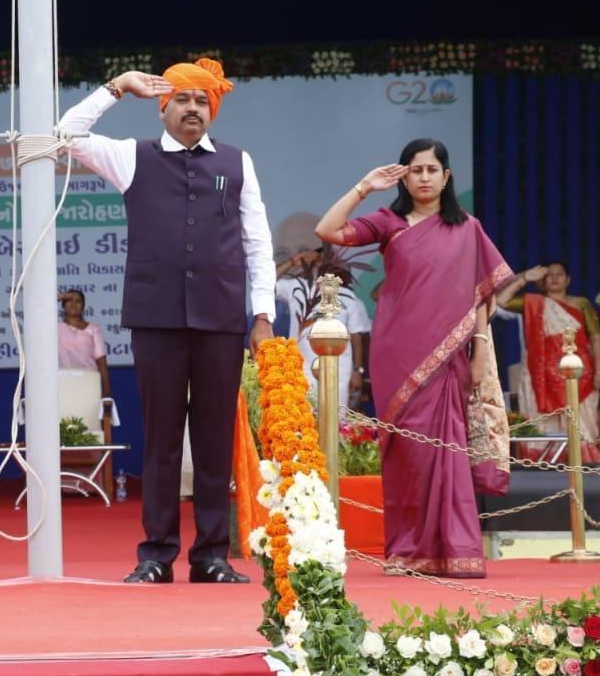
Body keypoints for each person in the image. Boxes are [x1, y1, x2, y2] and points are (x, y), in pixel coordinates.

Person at [56, 59, 276, 584]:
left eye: (202, 101)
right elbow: (65, 135)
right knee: (160, 441)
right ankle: (155, 554)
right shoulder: (134, 157)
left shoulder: (237, 162)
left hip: (221, 319)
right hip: (156, 320)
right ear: (163, 107)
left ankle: (211, 556)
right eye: (183, 99)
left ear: (213, 109)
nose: (193, 108)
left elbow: (257, 241)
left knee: (214, 438)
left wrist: (262, 313)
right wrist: (116, 87)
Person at [315, 138, 511, 578]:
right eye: (415, 170)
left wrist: (479, 350)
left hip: (449, 356)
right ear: (404, 176)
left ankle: (455, 549)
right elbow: (328, 230)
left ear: (447, 176)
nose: (424, 177)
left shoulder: (469, 229)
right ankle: (406, 550)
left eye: (431, 170)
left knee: (447, 451)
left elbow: (482, 295)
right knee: (405, 453)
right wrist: (364, 186)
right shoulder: (390, 222)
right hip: (396, 353)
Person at [495, 262, 600, 463]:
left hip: (579, 377)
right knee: (544, 425)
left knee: (581, 425)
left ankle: (585, 476)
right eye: (550, 275)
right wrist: (524, 278)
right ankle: (547, 476)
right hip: (541, 379)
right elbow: (501, 300)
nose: (555, 278)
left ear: (568, 279)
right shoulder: (534, 303)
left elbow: (596, 338)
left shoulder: (581, 303)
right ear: (542, 281)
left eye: (560, 274)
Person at [274, 247, 371, 409]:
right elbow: (265, 284)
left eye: (327, 261)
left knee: (335, 420)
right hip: (300, 365)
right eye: (317, 260)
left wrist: (357, 371)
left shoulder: (346, 295)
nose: (322, 264)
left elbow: (356, 337)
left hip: (339, 367)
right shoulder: (295, 287)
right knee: (302, 419)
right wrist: (292, 262)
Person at [57, 288, 111, 397]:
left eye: (78, 301)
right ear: (63, 306)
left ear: (83, 308)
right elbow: (40, 308)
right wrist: (61, 296)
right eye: (69, 300)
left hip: (89, 382)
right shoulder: (55, 328)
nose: (73, 304)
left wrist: (106, 393)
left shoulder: (94, 329)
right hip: (63, 383)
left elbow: (101, 362)